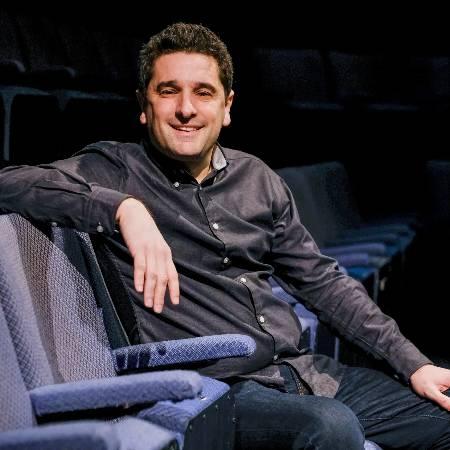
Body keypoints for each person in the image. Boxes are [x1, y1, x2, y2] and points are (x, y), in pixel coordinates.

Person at [1, 22, 449, 449]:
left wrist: (414, 364)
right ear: (143, 104)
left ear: (227, 105)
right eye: (168, 91)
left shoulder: (256, 177)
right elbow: (9, 182)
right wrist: (122, 208)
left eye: (203, 92)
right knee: (329, 428)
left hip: (302, 372)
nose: (186, 109)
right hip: (215, 390)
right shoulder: (114, 170)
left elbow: (324, 283)